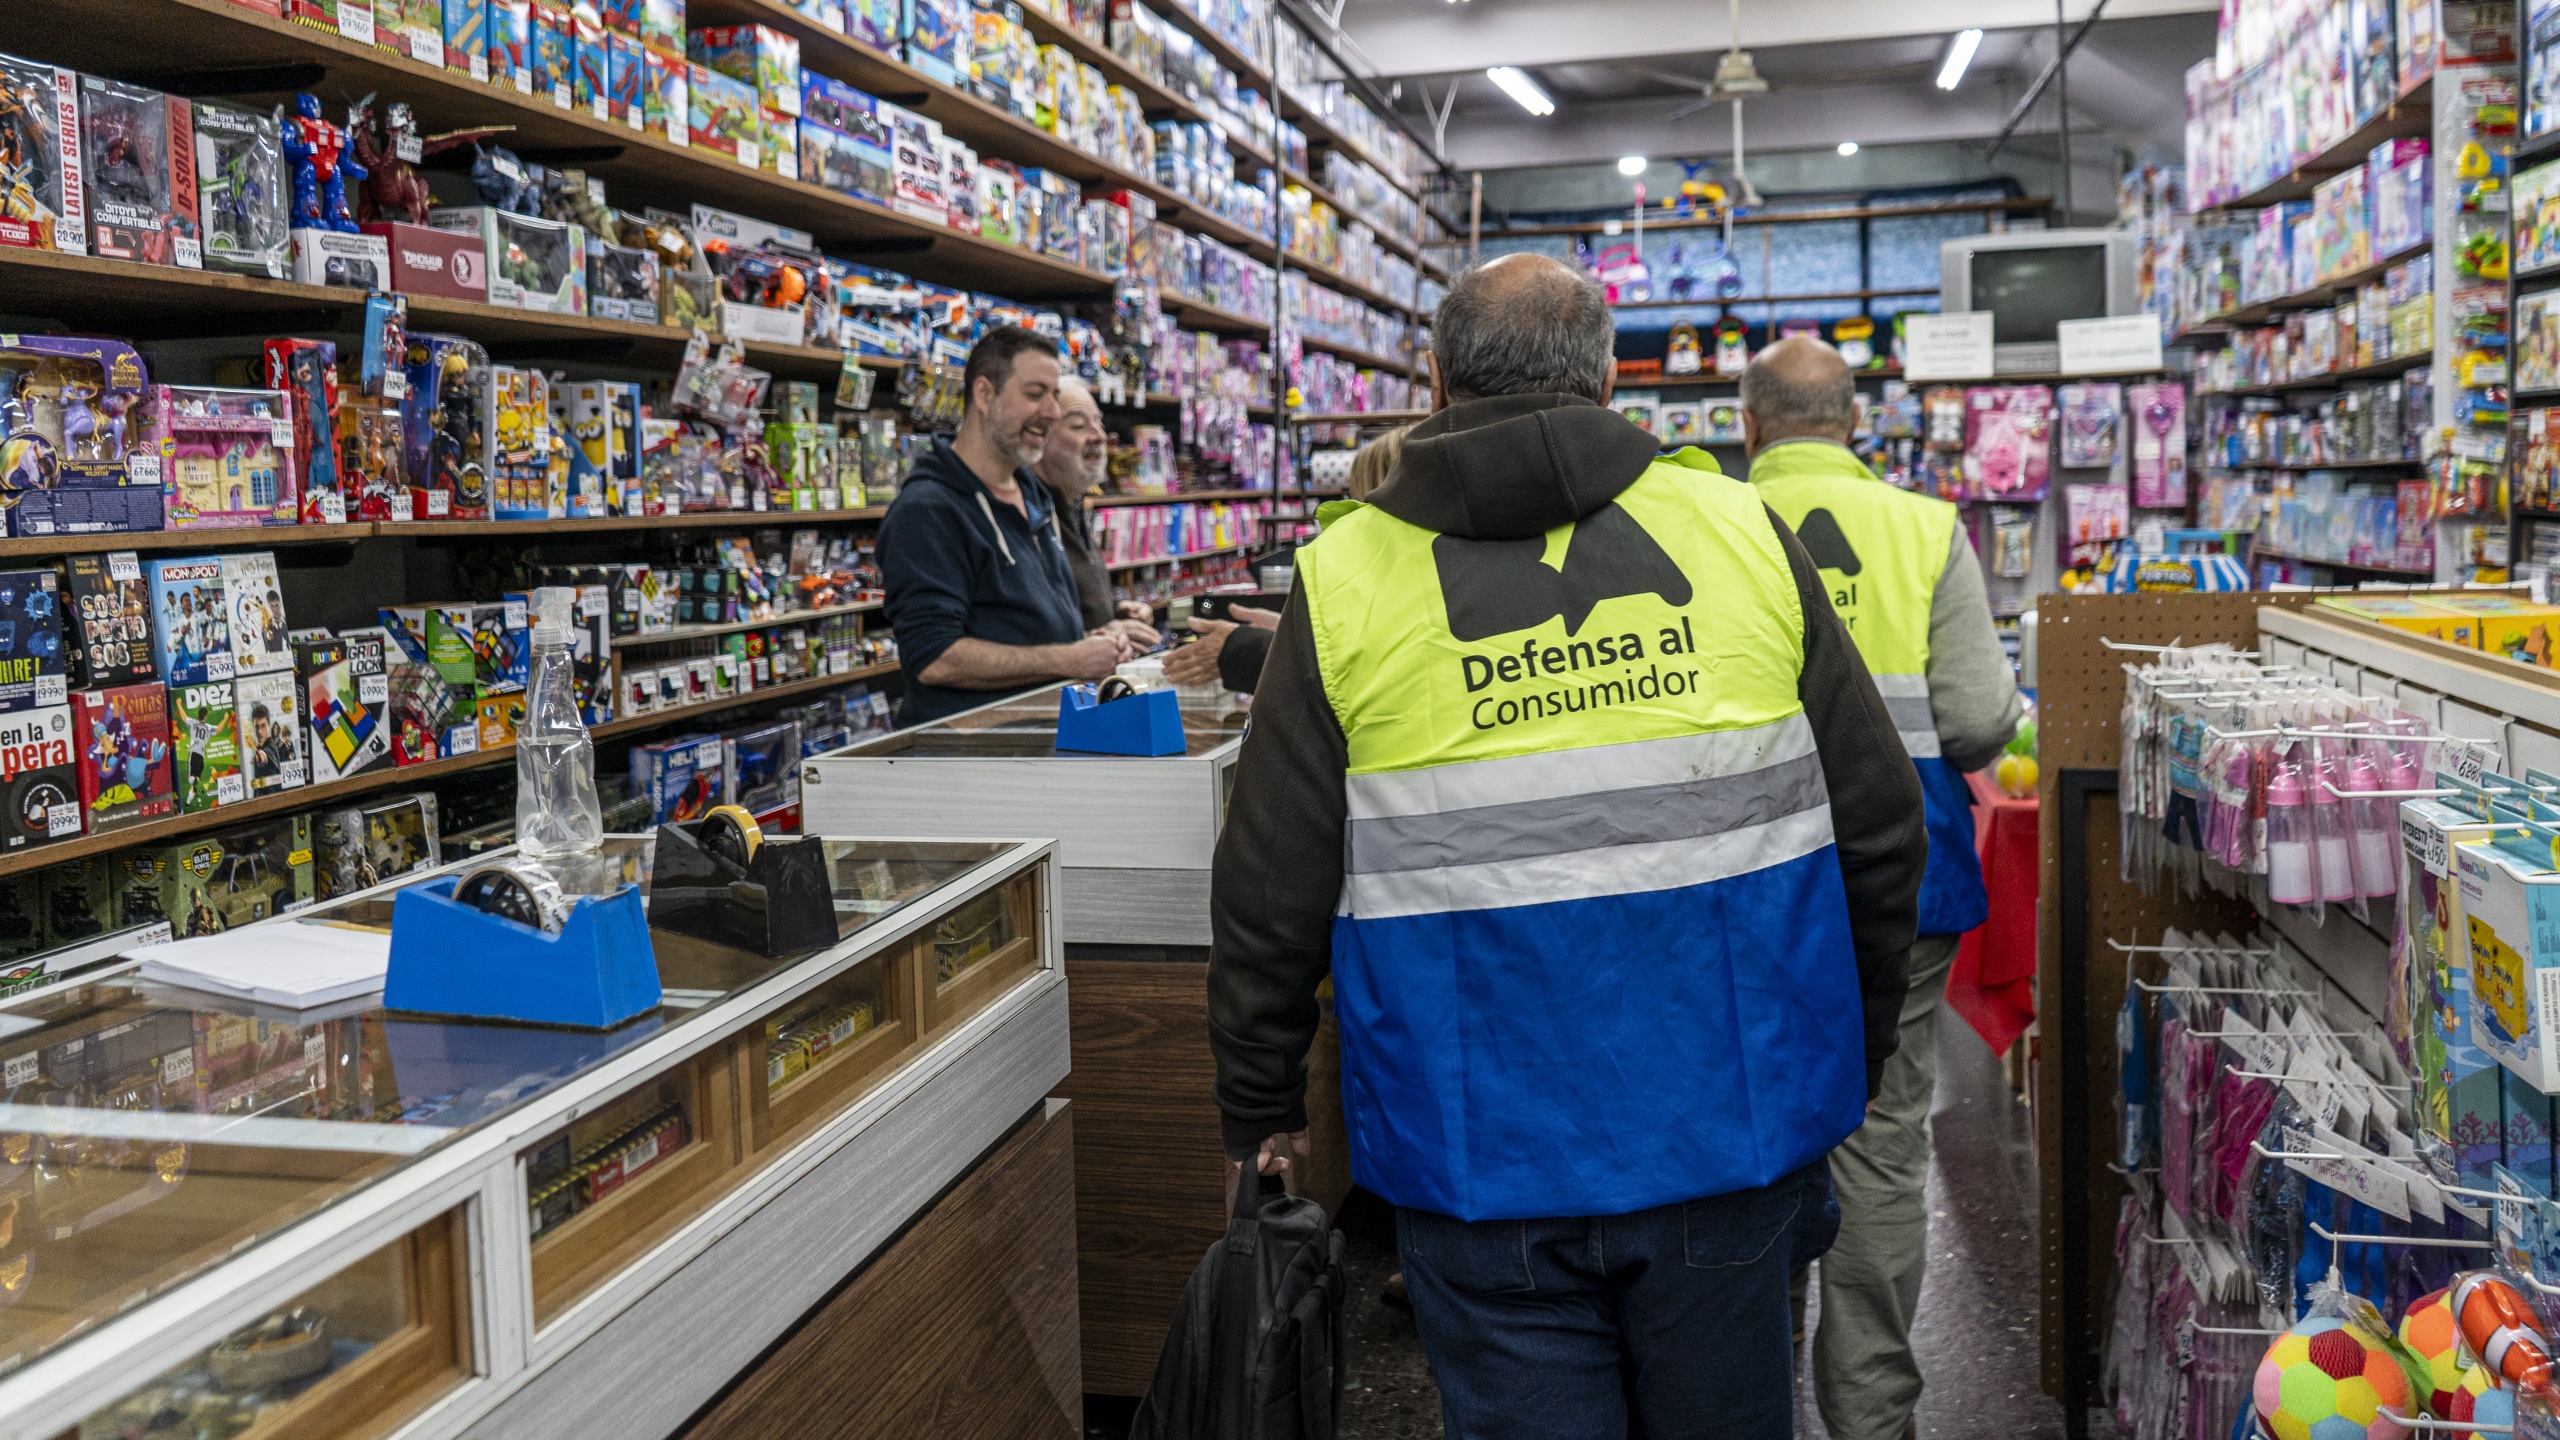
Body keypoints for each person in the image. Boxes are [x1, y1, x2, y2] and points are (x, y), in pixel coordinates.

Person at [1206, 253, 1929, 1439]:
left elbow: (1271, 881)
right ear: (1607, 376)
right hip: (1727, 1124)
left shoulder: (1339, 582)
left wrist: (1260, 1100)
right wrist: (1846, 1051)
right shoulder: (1737, 529)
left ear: (1431, 379)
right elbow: (1880, 820)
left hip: (1476, 1149)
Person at [1741, 336, 2024, 1440]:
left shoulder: (1704, 521)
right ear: (1853, 424)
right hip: (1900, 876)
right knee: (1882, 1138)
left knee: (1751, 1140)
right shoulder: (1922, 526)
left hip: (1750, 874)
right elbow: (1974, 719)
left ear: (1749, 424)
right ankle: (1870, 1418)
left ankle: (1743, 1397)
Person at [877, 327, 1156, 726]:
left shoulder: (1034, 494)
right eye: (1034, 394)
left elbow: (1032, 623)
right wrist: (1070, 658)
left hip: (1042, 744)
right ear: (985, 395)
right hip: (972, 761)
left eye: (1054, 395)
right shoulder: (928, 511)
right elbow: (935, 658)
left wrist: (1096, 636)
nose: (1052, 412)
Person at [1161, 425, 1409, 692]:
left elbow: (1344, 671)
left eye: (1356, 497)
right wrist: (1285, 633)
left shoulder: (1380, 568)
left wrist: (1245, 647)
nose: (1353, 510)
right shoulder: (1413, 562)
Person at [1032, 374, 1161, 634]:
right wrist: (1095, 640)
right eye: (1079, 425)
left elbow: (1069, 603)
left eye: (1098, 423)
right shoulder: (1028, 516)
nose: (1100, 436)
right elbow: (1022, 630)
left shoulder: (1074, 505)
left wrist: (1115, 608)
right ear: (1038, 436)